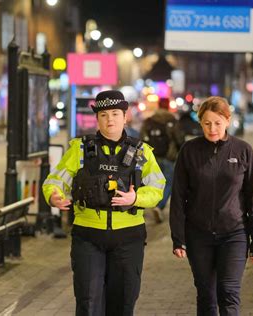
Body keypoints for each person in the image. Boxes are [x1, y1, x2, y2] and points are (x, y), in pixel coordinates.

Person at [43, 90, 165, 315]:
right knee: (88, 303)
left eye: (115, 114)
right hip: (88, 237)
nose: (110, 119)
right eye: (104, 115)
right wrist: (53, 195)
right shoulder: (80, 149)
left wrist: (135, 198)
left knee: (123, 304)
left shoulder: (141, 152)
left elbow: (157, 188)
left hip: (128, 239)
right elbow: (55, 180)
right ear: (97, 118)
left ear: (125, 116)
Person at [170, 96, 253, 315]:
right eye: (207, 123)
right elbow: (178, 197)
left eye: (217, 123)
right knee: (206, 295)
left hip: (234, 234)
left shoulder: (243, 151)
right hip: (198, 235)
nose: (212, 128)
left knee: (228, 291)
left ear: (228, 121)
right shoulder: (189, 151)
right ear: (200, 123)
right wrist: (178, 238)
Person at [140, 97, 184, 223]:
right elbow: (180, 139)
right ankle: (159, 206)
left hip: (152, 157)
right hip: (168, 157)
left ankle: (141, 205)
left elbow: (141, 139)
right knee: (168, 183)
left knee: (147, 181)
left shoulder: (149, 120)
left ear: (158, 105)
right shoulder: (172, 120)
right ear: (168, 106)